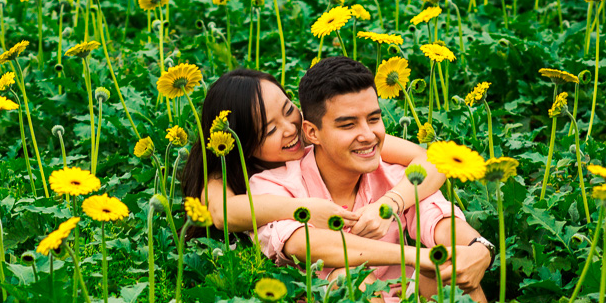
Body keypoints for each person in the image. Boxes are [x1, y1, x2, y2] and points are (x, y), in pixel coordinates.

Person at [248, 56, 491, 303]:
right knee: (350, 278)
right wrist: (418, 257)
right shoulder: (273, 186)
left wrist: (476, 248)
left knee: (449, 267)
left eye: (374, 119)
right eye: (348, 124)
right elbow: (301, 243)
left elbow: (438, 218)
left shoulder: (393, 176)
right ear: (312, 132)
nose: (368, 135)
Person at [179, 68, 447, 238]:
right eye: (270, 130)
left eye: (288, 110)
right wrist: (304, 209)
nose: (291, 128)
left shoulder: (323, 135)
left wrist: (391, 202)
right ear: (242, 142)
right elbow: (225, 213)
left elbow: (431, 159)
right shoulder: (222, 173)